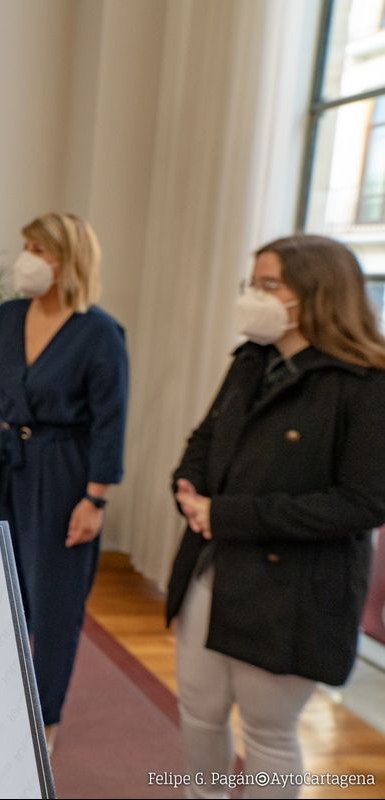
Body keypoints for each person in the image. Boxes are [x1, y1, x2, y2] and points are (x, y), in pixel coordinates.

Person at [167, 235, 385, 799]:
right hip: (213, 569)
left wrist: (229, 515)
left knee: (267, 735)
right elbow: (206, 438)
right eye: (253, 284)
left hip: (294, 593)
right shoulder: (251, 360)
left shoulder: (365, 383)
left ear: (314, 295)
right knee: (199, 713)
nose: (254, 297)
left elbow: (363, 503)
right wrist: (187, 489)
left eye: (269, 286)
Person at [0, 212, 128, 750]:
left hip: (62, 469)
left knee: (54, 600)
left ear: (68, 261)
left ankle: (43, 723)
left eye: (41, 249)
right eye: (25, 245)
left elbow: (109, 420)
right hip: (6, 459)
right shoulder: (8, 316)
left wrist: (95, 498)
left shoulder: (99, 332)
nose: (27, 257)